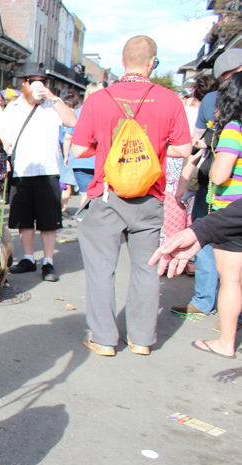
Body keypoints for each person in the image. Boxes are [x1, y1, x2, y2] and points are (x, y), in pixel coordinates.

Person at [71, 35, 191, 356]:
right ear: (152, 63)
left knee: (101, 269)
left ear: (123, 62)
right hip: (150, 196)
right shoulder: (169, 99)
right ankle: (141, 339)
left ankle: (105, 339)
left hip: (108, 195)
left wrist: (107, 146)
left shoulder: (99, 99)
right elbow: (182, 148)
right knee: (146, 268)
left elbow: (80, 148)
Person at [171, 54, 242, 320]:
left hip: (221, 192)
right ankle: (207, 302)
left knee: (211, 246)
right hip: (212, 189)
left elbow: (213, 165)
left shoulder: (232, 124)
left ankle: (214, 309)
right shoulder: (212, 101)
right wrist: (184, 181)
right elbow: (196, 144)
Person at [182, 73, 242, 358]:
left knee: (231, 280)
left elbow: (220, 174)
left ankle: (225, 343)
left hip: (231, 212)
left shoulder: (234, 128)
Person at [0, 71, 77, 282]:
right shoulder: (12, 108)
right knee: (24, 219)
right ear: (24, 84)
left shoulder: (52, 106)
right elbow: (5, 138)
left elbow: (72, 121)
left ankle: (48, 261)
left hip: (48, 170)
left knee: (48, 221)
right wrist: (4, 157)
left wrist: (52, 97)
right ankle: (29, 258)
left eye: (43, 83)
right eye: (35, 83)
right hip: (21, 170)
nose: (39, 87)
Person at [62, 83, 102, 216]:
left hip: (80, 160)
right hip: (101, 159)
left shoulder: (77, 113)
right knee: (101, 193)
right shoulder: (106, 112)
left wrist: (66, 155)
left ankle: (83, 221)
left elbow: (68, 137)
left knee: (85, 192)